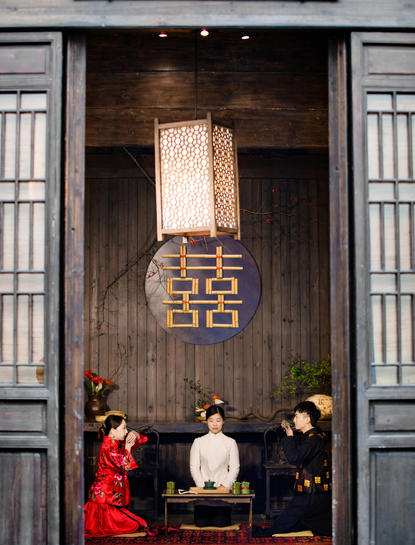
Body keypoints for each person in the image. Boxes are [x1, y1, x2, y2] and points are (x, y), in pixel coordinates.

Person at [252, 401, 331, 537]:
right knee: (296, 521)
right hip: (314, 494)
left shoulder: (314, 440)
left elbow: (294, 458)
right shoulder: (314, 435)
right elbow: (296, 445)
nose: (294, 420)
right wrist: (288, 433)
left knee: (280, 525)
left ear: (307, 419)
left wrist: (289, 436)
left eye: (297, 416)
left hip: (312, 495)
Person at [84, 411, 152, 538]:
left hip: (110, 501)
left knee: (138, 524)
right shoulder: (108, 448)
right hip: (104, 502)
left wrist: (134, 433)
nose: (126, 432)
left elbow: (141, 439)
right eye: (124, 428)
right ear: (113, 431)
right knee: (135, 525)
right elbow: (125, 465)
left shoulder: (117, 443)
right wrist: (127, 447)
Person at [190, 404, 240, 527]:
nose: (215, 424)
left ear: (223, 422)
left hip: (222, 493)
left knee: (220, 523)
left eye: (218, 420)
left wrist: (224, 485)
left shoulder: (230, 442)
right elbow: (194, 467)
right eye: (211, 421)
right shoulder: (198, 442)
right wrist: (203, 487)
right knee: (201, 523)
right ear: (206, 422)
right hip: (203, 493)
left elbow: (234, 468)